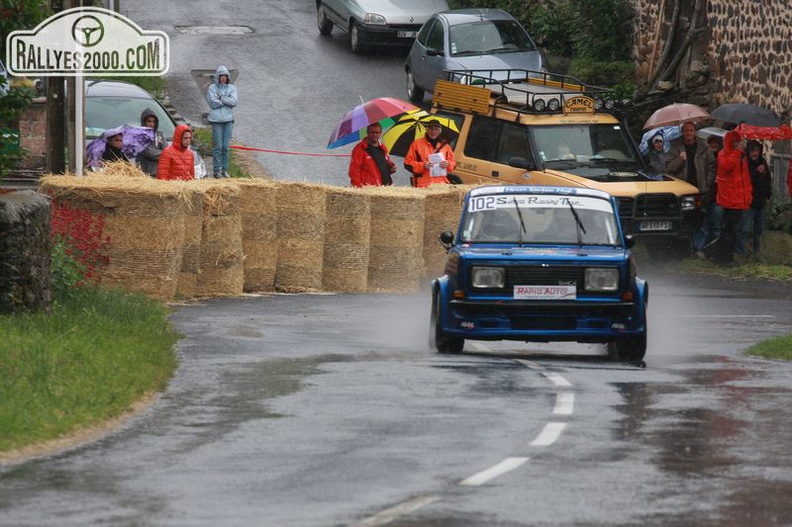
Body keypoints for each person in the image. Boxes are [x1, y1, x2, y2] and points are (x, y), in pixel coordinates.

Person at [708, 130, 751, 265]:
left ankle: (722, 255)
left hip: (738, 197)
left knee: (731, 229)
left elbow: (744, 178)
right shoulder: (725, 154)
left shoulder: (739, 155)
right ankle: (723, 257)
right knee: (729, 230)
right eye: (737, 141)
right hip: (730, 198)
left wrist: (747, 194)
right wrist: (737, 152)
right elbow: (728, 167)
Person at [739, 140, 772, 256]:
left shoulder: (762, 162)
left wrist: (768, 195)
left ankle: (758, 254)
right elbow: (747, 180)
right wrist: (758, 173)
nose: (755, 153)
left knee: (759, 231)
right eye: (752, 150)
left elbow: (767, 180)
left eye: (757, 150)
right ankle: (741, 253)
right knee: (744, 229)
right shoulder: (745, 163)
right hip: (749, 201)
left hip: (761, 201)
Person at [404, 119, 456, 188]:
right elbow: (407, 164)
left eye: (436, 129)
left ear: (439, 131)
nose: (433, 131)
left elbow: (453, 164)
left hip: (441, 184)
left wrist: (448, 164)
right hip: (422, 185)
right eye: (431, 129)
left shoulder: (446, 146)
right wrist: (423, 166)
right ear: (427, 130)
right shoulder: (416, 144)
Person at [207, 65, 237, 178]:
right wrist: (226, 100)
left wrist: (220, 98)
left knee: (225, 146)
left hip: (228, 120)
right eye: (221, 76)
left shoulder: (232, 88)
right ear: (218, 77)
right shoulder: (212, 88)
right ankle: (216, 170)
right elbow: (212, 103)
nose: (223, 78)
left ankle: (224, 169)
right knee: (218, 146)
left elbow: (234, 102)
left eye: (225, 75)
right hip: (216, 120)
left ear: (228, 77)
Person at [348, 123, 396, 187]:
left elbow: (383, 165)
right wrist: (358, 187)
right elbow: (354, 171)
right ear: (367, 133)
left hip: (385, 187)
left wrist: (390, 169)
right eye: (372, 132)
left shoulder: (383, 147)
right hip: (369, 188)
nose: (375, 135)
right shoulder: (360, 148)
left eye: (377, 132)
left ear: (381, 133)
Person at [136, 108, 165, 177]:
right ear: (144, 122)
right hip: (144, 173)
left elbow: (167, 149)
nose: (151, 124)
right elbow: (150, 153)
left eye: (153, 122)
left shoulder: (159, 134)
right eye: (149, 121)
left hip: (158, 173)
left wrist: (166, 153)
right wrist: (165, 154)